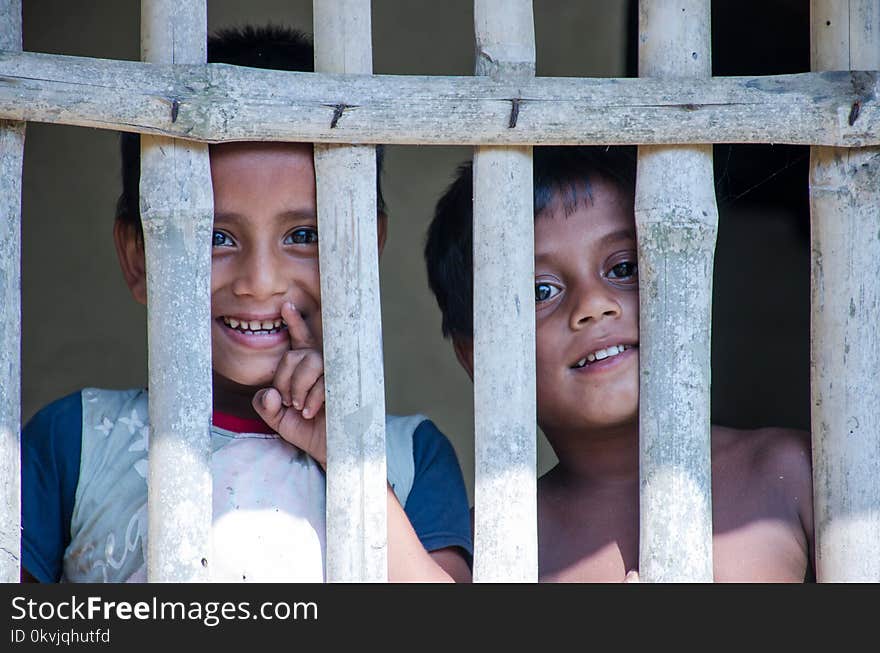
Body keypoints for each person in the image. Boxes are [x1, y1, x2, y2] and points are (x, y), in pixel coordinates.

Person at [21, 25, 472, 584]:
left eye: (303, 235)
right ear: (138, 255)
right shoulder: (79, 441)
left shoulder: (408, 457)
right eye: (216, 236)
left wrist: (350, 456)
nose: (260, 283)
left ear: (363, 251)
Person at [424, 145, 814, 582]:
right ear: (477, 355)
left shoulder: (791, 471)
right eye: (540, 292)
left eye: (624, 267)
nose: (593, 305)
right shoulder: (483, 548)